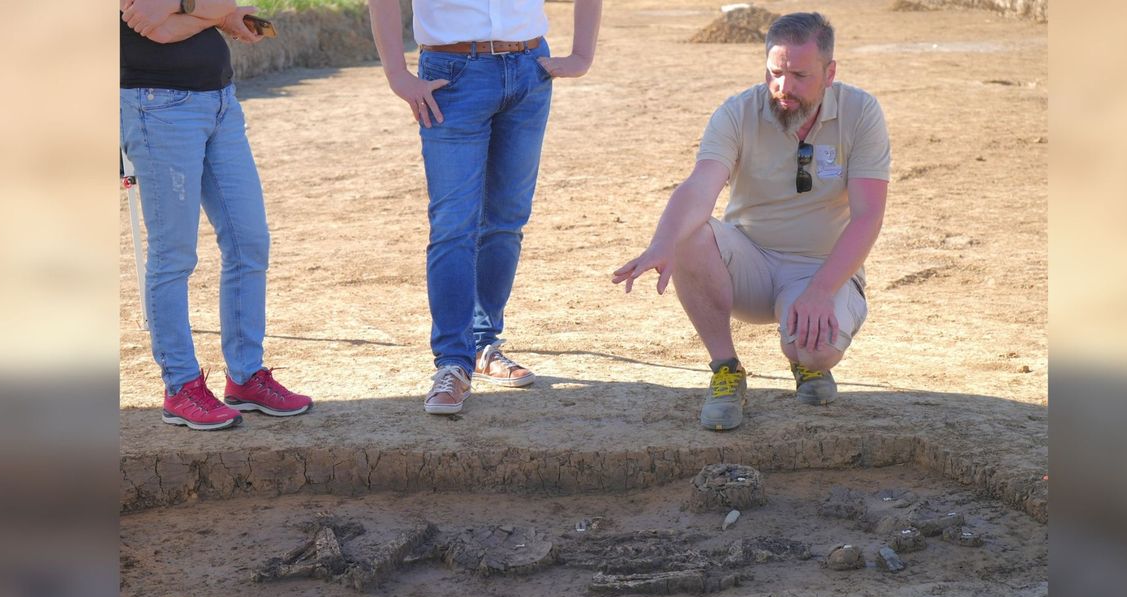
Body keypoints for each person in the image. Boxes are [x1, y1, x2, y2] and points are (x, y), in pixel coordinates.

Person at [612, 12, 890, 431]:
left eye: (799, 75)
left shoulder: (861, 111)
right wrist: (663, 242)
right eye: (775, 73)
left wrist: (820, 289)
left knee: (814, 350)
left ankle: (806, 363)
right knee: (690, 233)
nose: (783, 88)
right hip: (750, 266)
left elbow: (869, 215)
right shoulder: (737, 112)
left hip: (820, 269)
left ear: (830, 72)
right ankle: (726, 369)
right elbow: (700, 186)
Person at [367, 0, 602, 415]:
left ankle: (482, 343)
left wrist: (582, 54)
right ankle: (452, 365)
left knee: (507, 220)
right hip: (451, 74)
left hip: (529, 68)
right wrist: (396, 75)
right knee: (453, 226)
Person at [121, 0, 312, 430]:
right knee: (174, 255)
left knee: (249, 241)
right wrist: (211, 11)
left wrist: (187, 8)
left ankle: (246, 377)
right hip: (157, 105)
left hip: (221, 102)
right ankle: (180, 386)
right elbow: (155, 30)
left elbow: (187, 14)